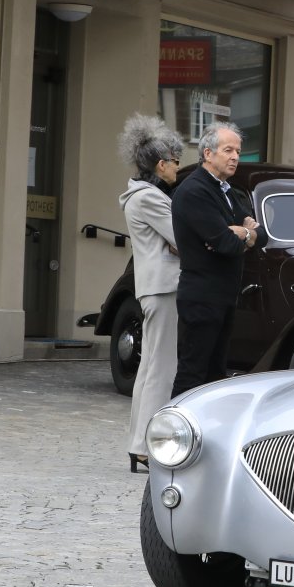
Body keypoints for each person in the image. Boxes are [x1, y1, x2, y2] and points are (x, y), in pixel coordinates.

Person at [170, 122, 264, 396]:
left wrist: (243, 233)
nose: (235, 157)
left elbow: (262, 236)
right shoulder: (195, 191)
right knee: (192, 375)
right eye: (228, 150)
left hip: (223, 297)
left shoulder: (227, 191)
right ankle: (174, 423)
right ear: (208, 153)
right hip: (201, 298)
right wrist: (241, 235)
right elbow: (225, 244)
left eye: (238, 151)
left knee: (214, 378)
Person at [118, 115, 185, 473]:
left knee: (149, 367)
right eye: (175, 161)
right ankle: (146, 445)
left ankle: (138, 443)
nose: (177, 167)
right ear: (161, 165)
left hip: (154, 285)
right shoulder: (150, 199)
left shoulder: (142, 196)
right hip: (163, 285)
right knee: (161, 367)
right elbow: (182, 238)